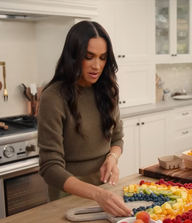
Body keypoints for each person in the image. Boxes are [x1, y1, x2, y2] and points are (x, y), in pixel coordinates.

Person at [37, 20, 132, 217]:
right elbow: (50, 167)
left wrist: (112, 159)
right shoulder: (53, 97)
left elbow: (117, 139)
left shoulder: (108, 91)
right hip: (67, 196)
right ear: (73, 56)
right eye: (89, 57)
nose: (97, 65)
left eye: (103, 58)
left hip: (106, 191)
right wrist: (98, 195)